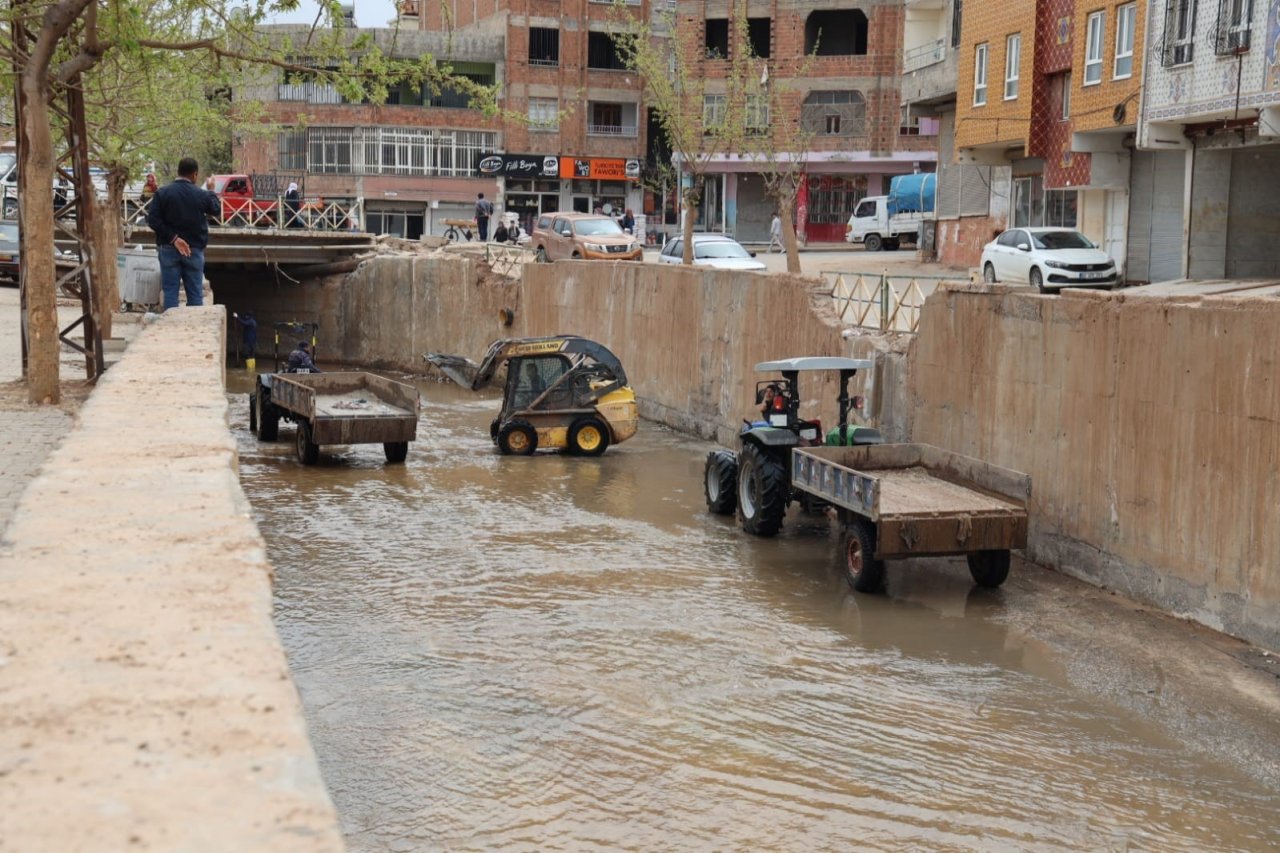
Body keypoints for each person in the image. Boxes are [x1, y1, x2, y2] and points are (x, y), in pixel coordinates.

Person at [147, 157, 220, 310]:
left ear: (178, 172)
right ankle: (193, 328)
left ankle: (170, 327)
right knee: (195, 294)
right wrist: (212, 189)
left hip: (168, 249)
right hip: (194, 251)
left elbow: (153, 220)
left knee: (170, 292)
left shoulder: (163, 193)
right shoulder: (201, 194)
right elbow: (216, 210)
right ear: (195, 174)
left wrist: (174, 239)